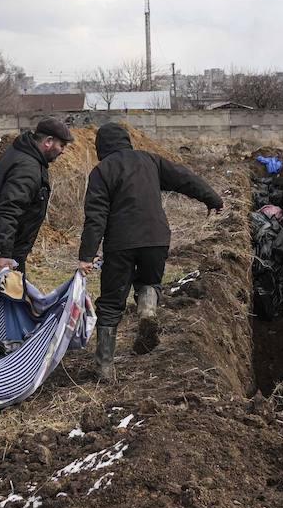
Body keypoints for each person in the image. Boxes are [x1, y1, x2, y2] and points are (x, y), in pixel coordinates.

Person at [77, 123, 222, 381]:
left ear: (101, 146)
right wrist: (212, 198)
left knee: (111, 301)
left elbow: (95, 217)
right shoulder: (150, 160)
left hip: (121, 243)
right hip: (156, 238)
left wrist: (87, 255)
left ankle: (105, 367)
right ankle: (147, 312)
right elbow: (184, 178)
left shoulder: (102, 171)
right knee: (149, 281)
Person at [0, 118, 73, 274]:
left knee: (14, 286)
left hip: (3, 236)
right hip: (4, 238)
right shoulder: (27, 168)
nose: (63, 151)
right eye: (61, 145)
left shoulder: (24, 153)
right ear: (48, 141)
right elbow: (9, 210)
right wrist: (3, 254)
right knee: (12, 289)